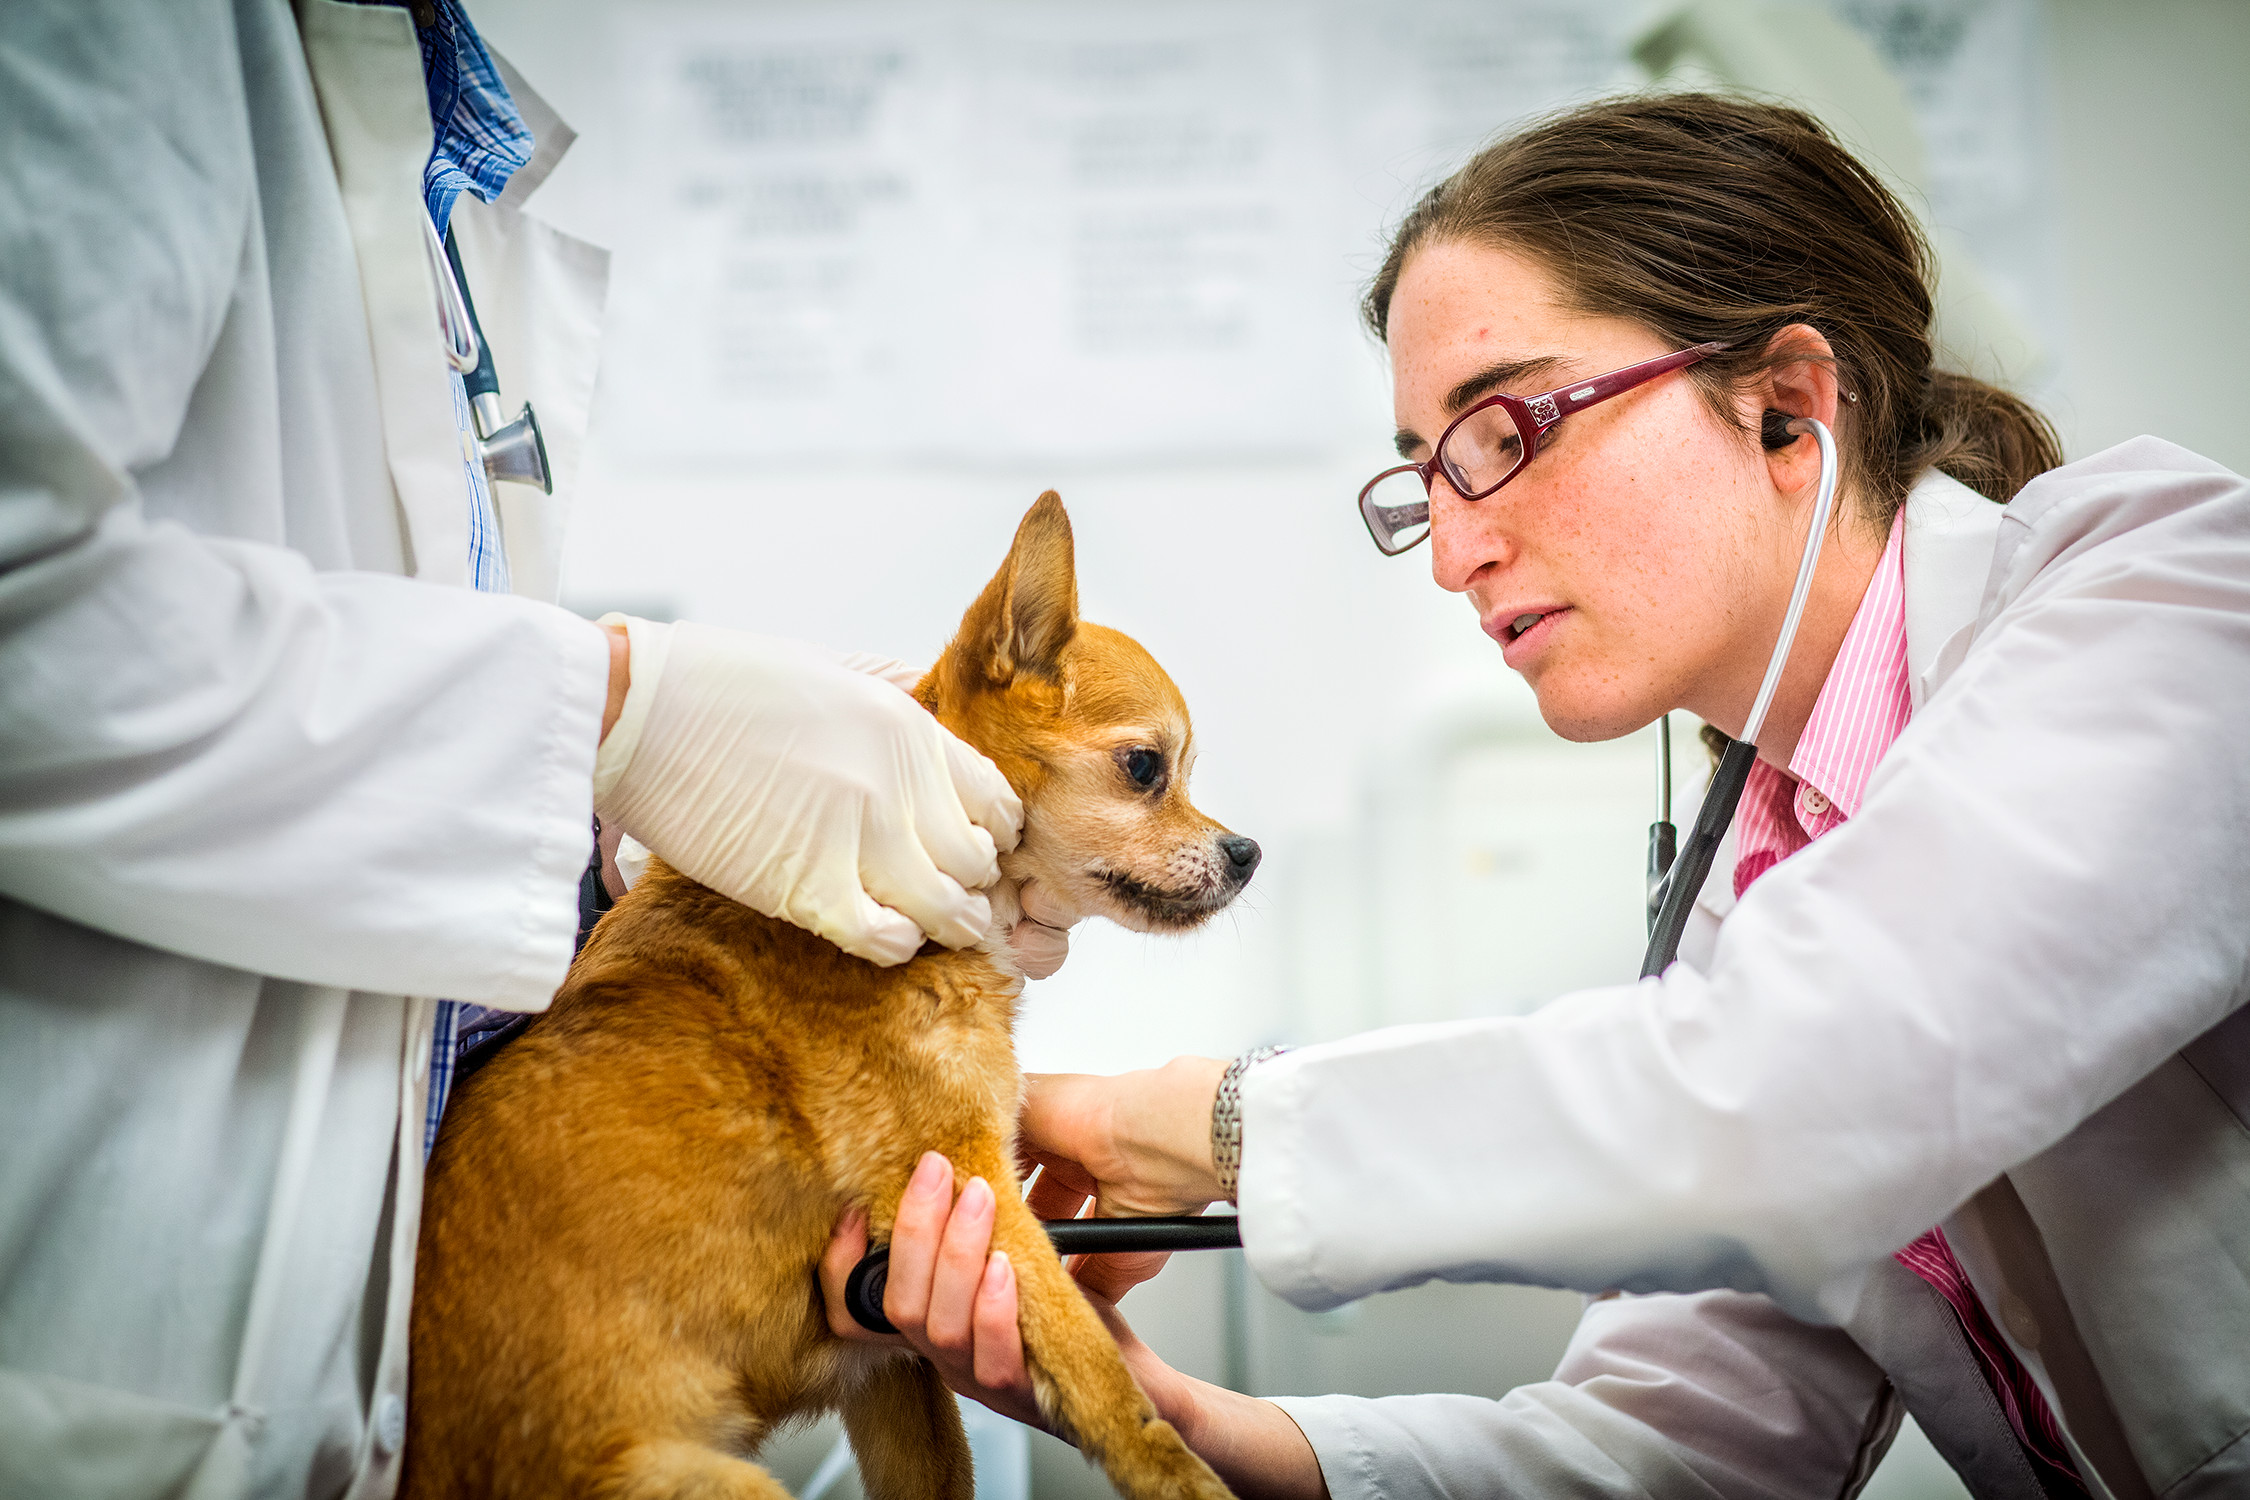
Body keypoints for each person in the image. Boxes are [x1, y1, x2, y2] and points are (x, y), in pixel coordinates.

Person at [821, 94, 2250, 1498]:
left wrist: (1194, 1125)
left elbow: (1807, 1088)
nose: (1450, 553)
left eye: (1501, 431)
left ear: (1784, 404)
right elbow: (1668, 1453)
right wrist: (1164, 1411)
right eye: (1425, 477)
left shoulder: (2174, 609)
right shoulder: (1758, 885)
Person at [0, 5, 1040, 1497]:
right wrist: (620, 714)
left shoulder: (417, 106)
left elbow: (361, 710)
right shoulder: (119, 37)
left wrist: (612, 854)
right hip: (116, 1311)